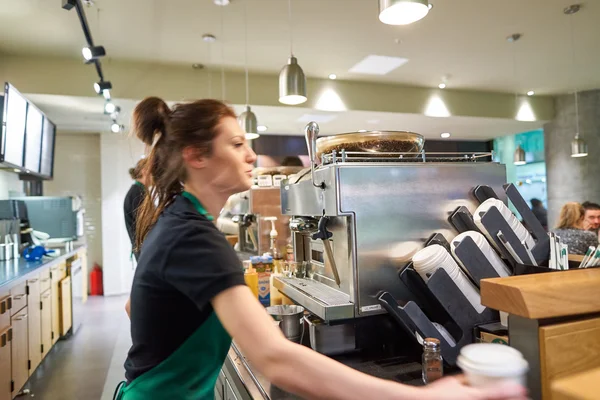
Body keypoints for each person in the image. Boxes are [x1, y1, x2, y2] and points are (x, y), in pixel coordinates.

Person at [116, 97, 526, 400]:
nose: (252, 154)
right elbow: (274, 359)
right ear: (196, 156)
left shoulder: (175, 220)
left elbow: (134, 307)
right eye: (237, 144)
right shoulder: (193, 235)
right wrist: (424, 397)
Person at [123, 158, 148, 261]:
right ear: (145, 171)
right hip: (143, 251)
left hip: (143, 250)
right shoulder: (137, 194)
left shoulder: (138, 191)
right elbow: (145, 226)